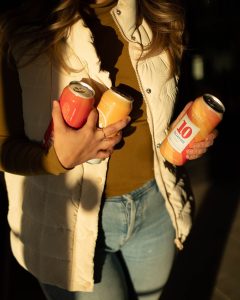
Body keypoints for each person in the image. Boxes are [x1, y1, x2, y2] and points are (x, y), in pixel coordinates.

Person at [0, 0, 217, 299]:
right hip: (68, 223)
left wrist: (187, 133)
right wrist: (56, 159)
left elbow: (162, 108)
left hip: (155, 207)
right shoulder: (21, 26)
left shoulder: (161, 13)